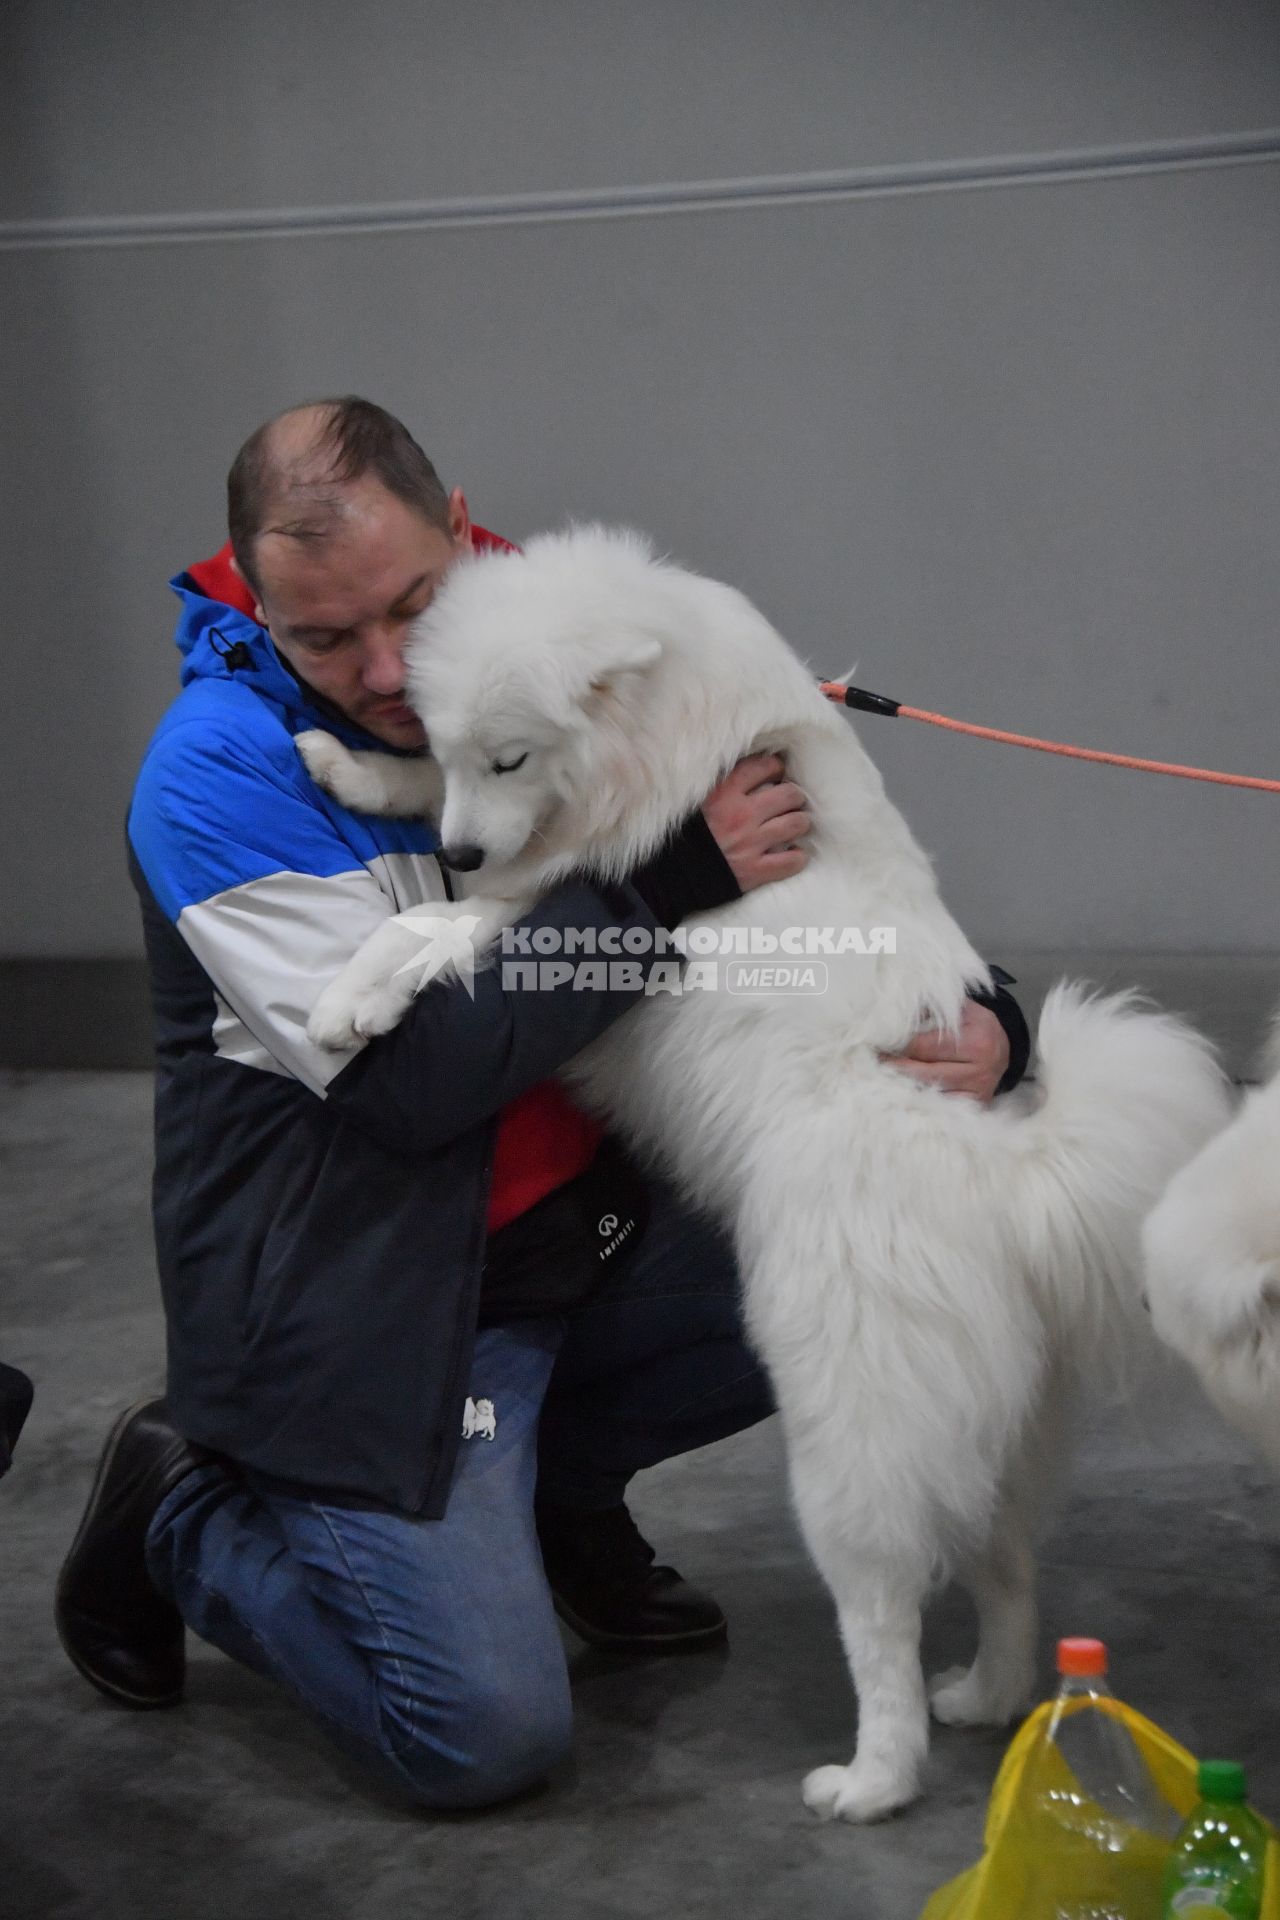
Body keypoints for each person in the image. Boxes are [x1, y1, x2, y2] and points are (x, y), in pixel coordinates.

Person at [56, 398, 1029, 1809]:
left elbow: (853, 852)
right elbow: (412, 1086)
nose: (390, 671)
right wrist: (666, 888)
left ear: (462, 530)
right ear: (251, 599)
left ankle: (552, 1493)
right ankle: (185, 1507)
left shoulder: (583, 638)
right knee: (481, 1732)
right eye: (323, 637)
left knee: (866, 1265)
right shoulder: (216, 780)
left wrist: (992, 1019)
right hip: (376, 1308)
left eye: (411, 605)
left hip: (590, 1231)